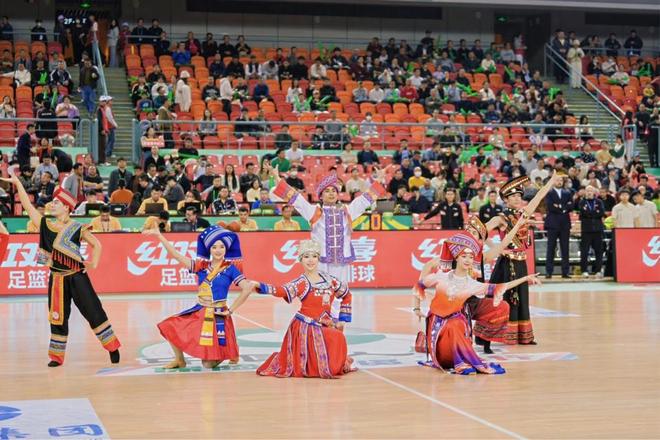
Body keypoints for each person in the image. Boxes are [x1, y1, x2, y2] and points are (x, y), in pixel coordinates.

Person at [1, 174, 120, 367]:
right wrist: (17, 184)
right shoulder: (45, 225)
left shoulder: (77, 227)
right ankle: (56, 356)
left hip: (77, 277)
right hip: (56, 278)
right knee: (57, 317)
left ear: (66, 207)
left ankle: (112, 346)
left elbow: (97, 245)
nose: (52, 204)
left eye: (56, 202)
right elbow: (28, 206)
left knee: (93, 311)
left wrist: (93, 264)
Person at [413, 232, 541, 374]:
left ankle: (461, 360)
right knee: (454, 324)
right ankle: (456, 359)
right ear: (456, 257)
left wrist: (525, 278)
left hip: (456, 323)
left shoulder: (472, 284)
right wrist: (416, 308)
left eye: (471, 257)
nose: (468, 260)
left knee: (457, 323)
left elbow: (501, 286)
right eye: (464, 256)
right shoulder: (441, 277)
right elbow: (419, 285)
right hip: (437, 325)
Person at [144, 225, 255, 369]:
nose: (218, 250)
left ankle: (228, 351)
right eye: (214, 247)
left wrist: (231, 310)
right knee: (168, 326)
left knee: (207, 364)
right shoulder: (201, 266)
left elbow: (247, 288)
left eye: (222, 247)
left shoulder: (230, 269)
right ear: (209, 249)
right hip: (200, 311)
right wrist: (159, 235)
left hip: (218, 316)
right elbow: (176, 255)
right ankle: (180, 360)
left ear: (226, 249)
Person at [255, 240, 354, 379]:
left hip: (325, 325)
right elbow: (282, 290)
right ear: (300, 260)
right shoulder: (301, 282)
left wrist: (343, 319)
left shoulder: (330, 280)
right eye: (306, 256)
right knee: (336, 338)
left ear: (318, 258)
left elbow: (347, 295)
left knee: (338, 338)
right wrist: (260, 286)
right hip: (306, 327)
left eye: (314, 256)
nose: (310, 260)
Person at [272, 169, 385, 287]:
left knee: (340, 290)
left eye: (333, 191)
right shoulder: (315, 212)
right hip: (321, 260)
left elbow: (364, 200)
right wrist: (276, 177)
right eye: (327, 191)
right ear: (321, 196)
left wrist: (379, 179)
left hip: (341, 260)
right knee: (320, 290)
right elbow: (296, 199)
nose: (331, 194)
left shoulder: (347, 211)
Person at [490, 172, 561, 345]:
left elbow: (538, 197)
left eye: (519, 196)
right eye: (513, 196)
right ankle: (505, 335)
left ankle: (523, 336)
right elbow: (481, 231)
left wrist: (551, 182)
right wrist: (497, 249)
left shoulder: (524, 214)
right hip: (507, 264)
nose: (517, 199)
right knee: (509, 298)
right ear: (505, 200)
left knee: (522, 297)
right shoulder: (501, 218)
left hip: (521, 262)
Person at [544, 175, 574, 279]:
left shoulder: (568, 193)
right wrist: (564, 208)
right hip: (552, 224)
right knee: (551, 248)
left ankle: (565, 272)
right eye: (557, 180)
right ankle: (549, 272)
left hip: (565, 224)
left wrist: (559, 206)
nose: (559, 182)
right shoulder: (549, 193)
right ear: (553, 181)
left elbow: (571, 206)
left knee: (565, 249)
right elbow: (550, 206)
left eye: (561, 180)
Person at [578, 186, 605, 278]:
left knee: (599, 251)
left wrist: (590, 213)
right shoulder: (582, 202)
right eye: (587, 191)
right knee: (584, 251)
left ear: (594, 192)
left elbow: (601, 213)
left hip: (597, 230)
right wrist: (594, 213)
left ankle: (598, 270)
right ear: (585, 192)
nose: (589, 192)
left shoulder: (599, 202)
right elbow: (583, 213)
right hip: (586, 230)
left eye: (591, 191)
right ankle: (584, 270)